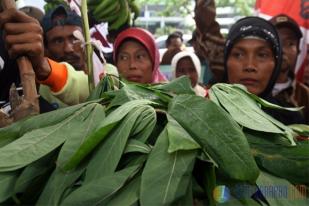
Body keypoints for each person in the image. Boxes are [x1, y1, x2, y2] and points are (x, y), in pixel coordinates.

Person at [223, 16, 304, 125]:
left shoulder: (292, 120)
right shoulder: (204, 113)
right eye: (238, 55)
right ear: (226, 60)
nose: (250, 66)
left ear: (276, 63)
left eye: (262, 55)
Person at [270, 14, 309, 124]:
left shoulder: (305, 96)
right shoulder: (251, 88)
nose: (282, 50)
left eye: (290, 43)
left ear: (298, 51)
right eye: (276, 41)